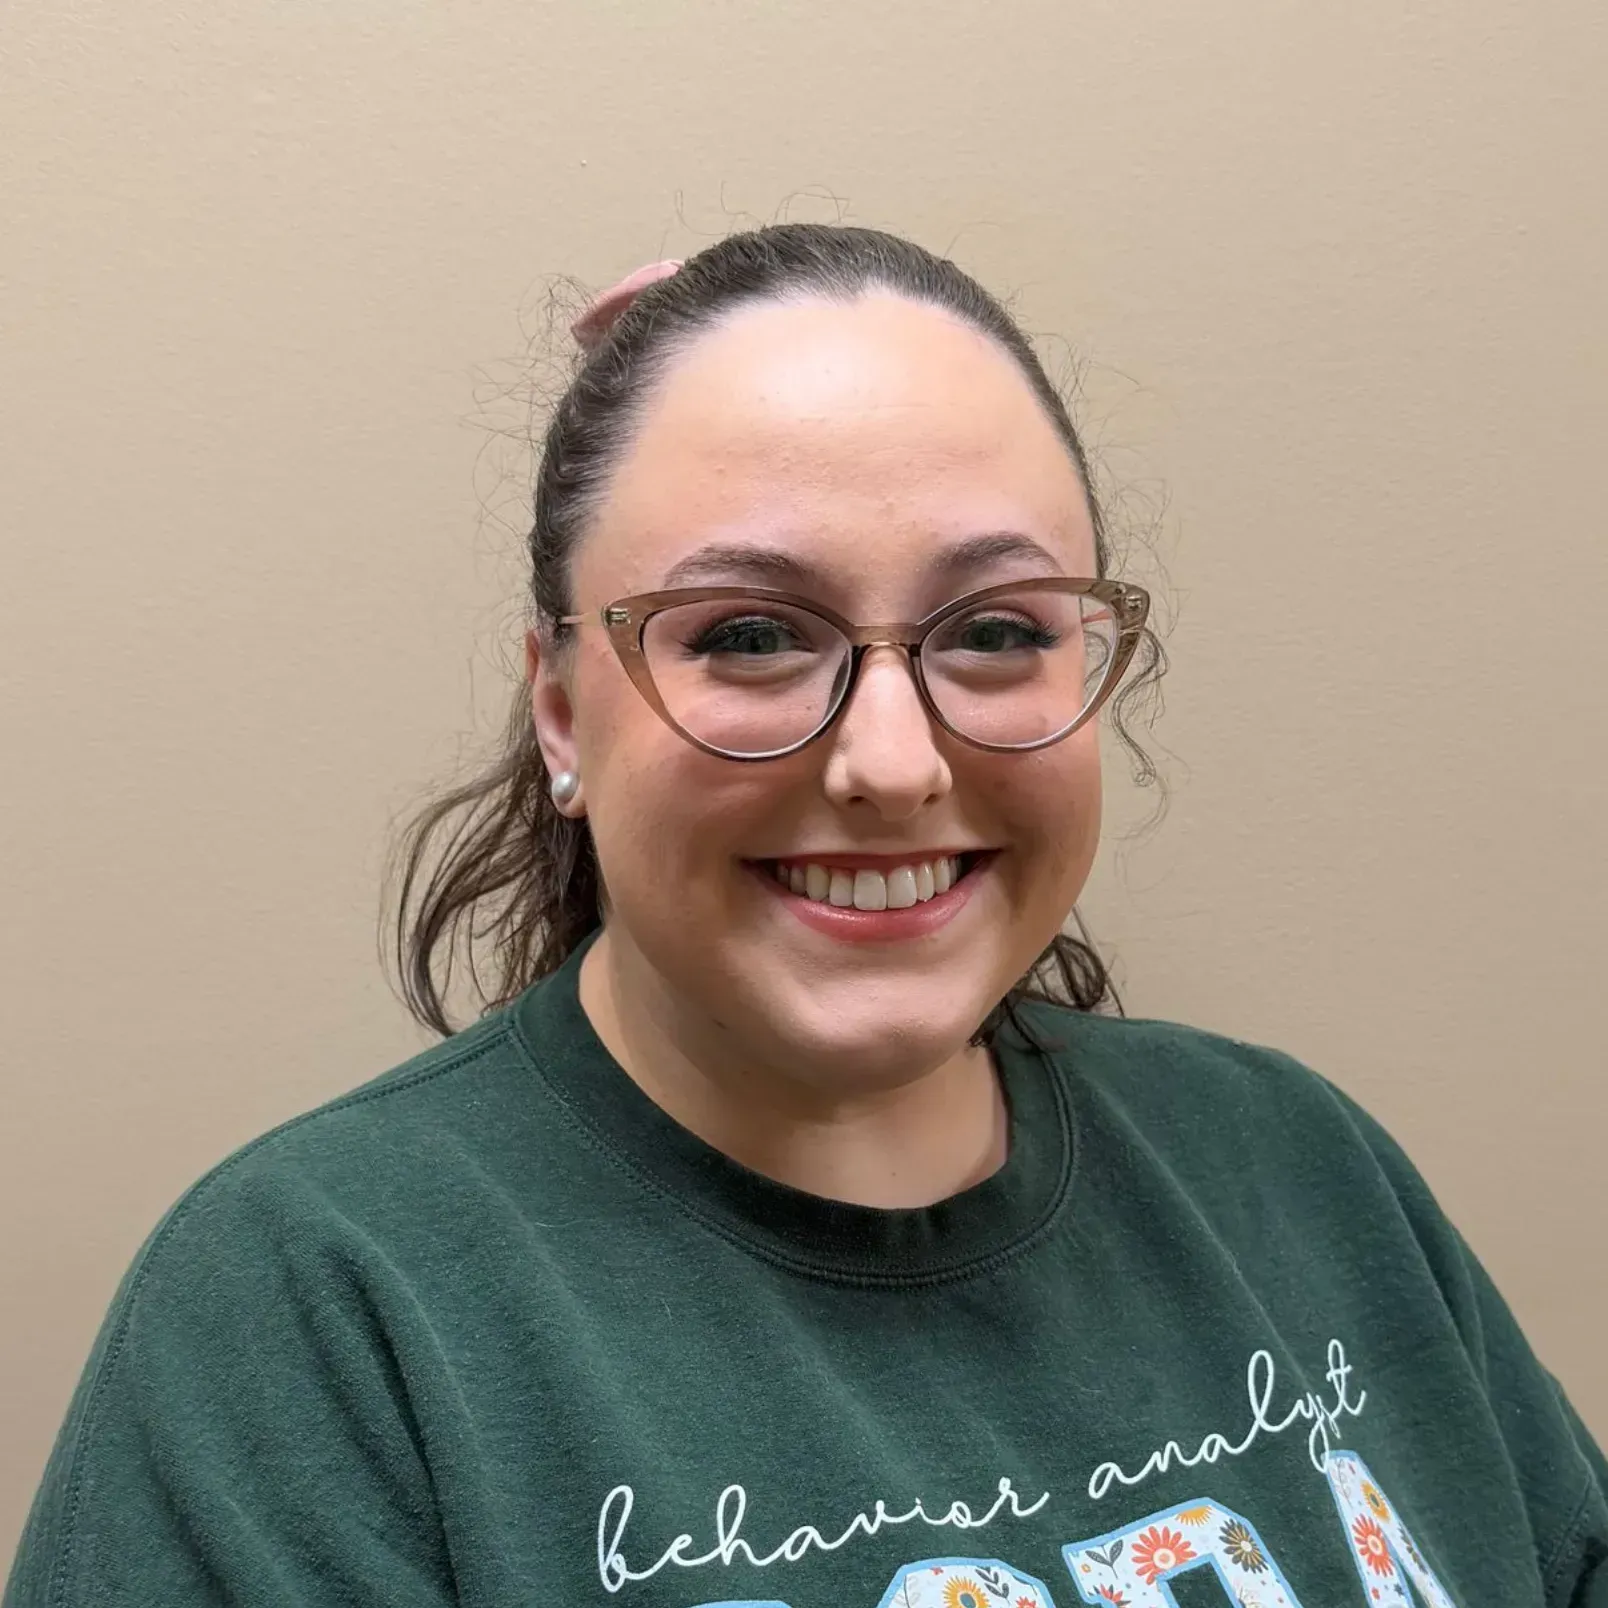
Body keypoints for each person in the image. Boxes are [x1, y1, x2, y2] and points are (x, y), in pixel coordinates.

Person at [6, 223, 1604, 1608]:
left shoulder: (1301, 1168)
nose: (895, 765)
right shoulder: (321, 1315)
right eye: (755, 633)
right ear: (560, 706)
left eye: (995, 629)